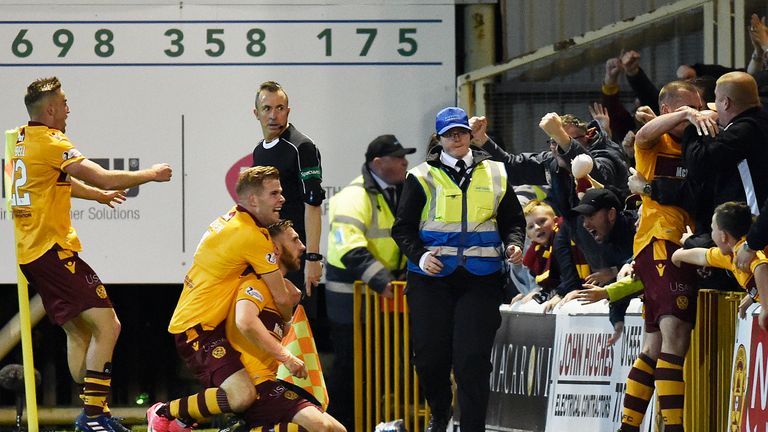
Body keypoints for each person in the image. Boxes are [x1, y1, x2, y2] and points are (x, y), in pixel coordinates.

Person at [10, 76, 173, 432]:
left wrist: (95, 198)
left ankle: (92, 410)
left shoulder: (20, 139)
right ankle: (94, 417)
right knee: (109, 325)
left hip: (31, 253)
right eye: (65, 103)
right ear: (51, 109)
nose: (69, 109)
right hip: (52, 251)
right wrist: (151, 174)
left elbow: (57, 181)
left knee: (80, 334)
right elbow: (103, 177)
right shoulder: (53, 142)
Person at [392, 106, 526, 432]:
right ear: (439, 139)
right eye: (450, 133)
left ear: (469, 134)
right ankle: (440, 411)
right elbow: (403, 229)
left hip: (481, 279)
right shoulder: (421, 175)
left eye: (462, 132)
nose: (457, 138)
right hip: (431, 279)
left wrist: (514, 243)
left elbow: (513, 220)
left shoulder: (495, 172)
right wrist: (421, 257)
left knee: (472, 362)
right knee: (430, 359)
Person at [147, 166, 299, 432]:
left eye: (281, 192)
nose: (281, 199)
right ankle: (164, 413)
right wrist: (287, 323)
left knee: (246, 393)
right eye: (274, 193)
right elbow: (281, 297)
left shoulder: (231, 219)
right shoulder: (252, 236)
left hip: (208, 323)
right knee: (241, 396)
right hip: (197, 328)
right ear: (253, 200)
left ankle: (182, 422)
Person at [619, 80, 716, 432]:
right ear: (667, 111)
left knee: (654, 344)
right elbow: (643, 135)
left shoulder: (696, 141)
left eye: (700, 105)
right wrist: (685, 113)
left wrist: (698, 113)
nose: (696, 113)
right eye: (687, 108)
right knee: (675, 337)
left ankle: (628, 427)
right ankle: (674, 428)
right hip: (662, 243)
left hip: (680, 246)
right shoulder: (654, 142)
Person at [221, 220, 345, 432]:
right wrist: (287, 358)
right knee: (320, 428)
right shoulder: (256, 283)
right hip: (254, 384)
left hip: (271, 383)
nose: (303, 247)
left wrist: (287, 311)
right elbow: (245, 320)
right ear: (276, 249)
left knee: (338, 430)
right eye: (295, 240)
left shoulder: (282, 294)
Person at [324, 134, 413, 429]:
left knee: (381, 365)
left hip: (381, 295)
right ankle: (338, 423)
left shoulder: (400, 191)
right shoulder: (353, 197)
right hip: (352, 299)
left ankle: (375, 422)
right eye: (398, 157)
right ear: (378, 163)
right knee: (352, 366)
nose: (405, 162)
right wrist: (384, 281)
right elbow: (349, 246)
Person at [252, 81, 325, 299]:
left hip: (295, 254)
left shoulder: (302, 147)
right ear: (256, 113)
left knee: (297, 325)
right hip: (268, 254)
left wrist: (312, 258)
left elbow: (312, 203)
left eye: (280, 108)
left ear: (288, 111)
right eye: (267, 108)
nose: (273, 115)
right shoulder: (258, 151)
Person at [672, 202, 768, 329]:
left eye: (712, 229)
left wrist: (766, 309)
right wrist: (677, 256)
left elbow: (761, 267)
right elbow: (704, 256)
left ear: (723, 236)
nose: (711, 234)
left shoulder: (745, 250)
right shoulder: (730, 255)